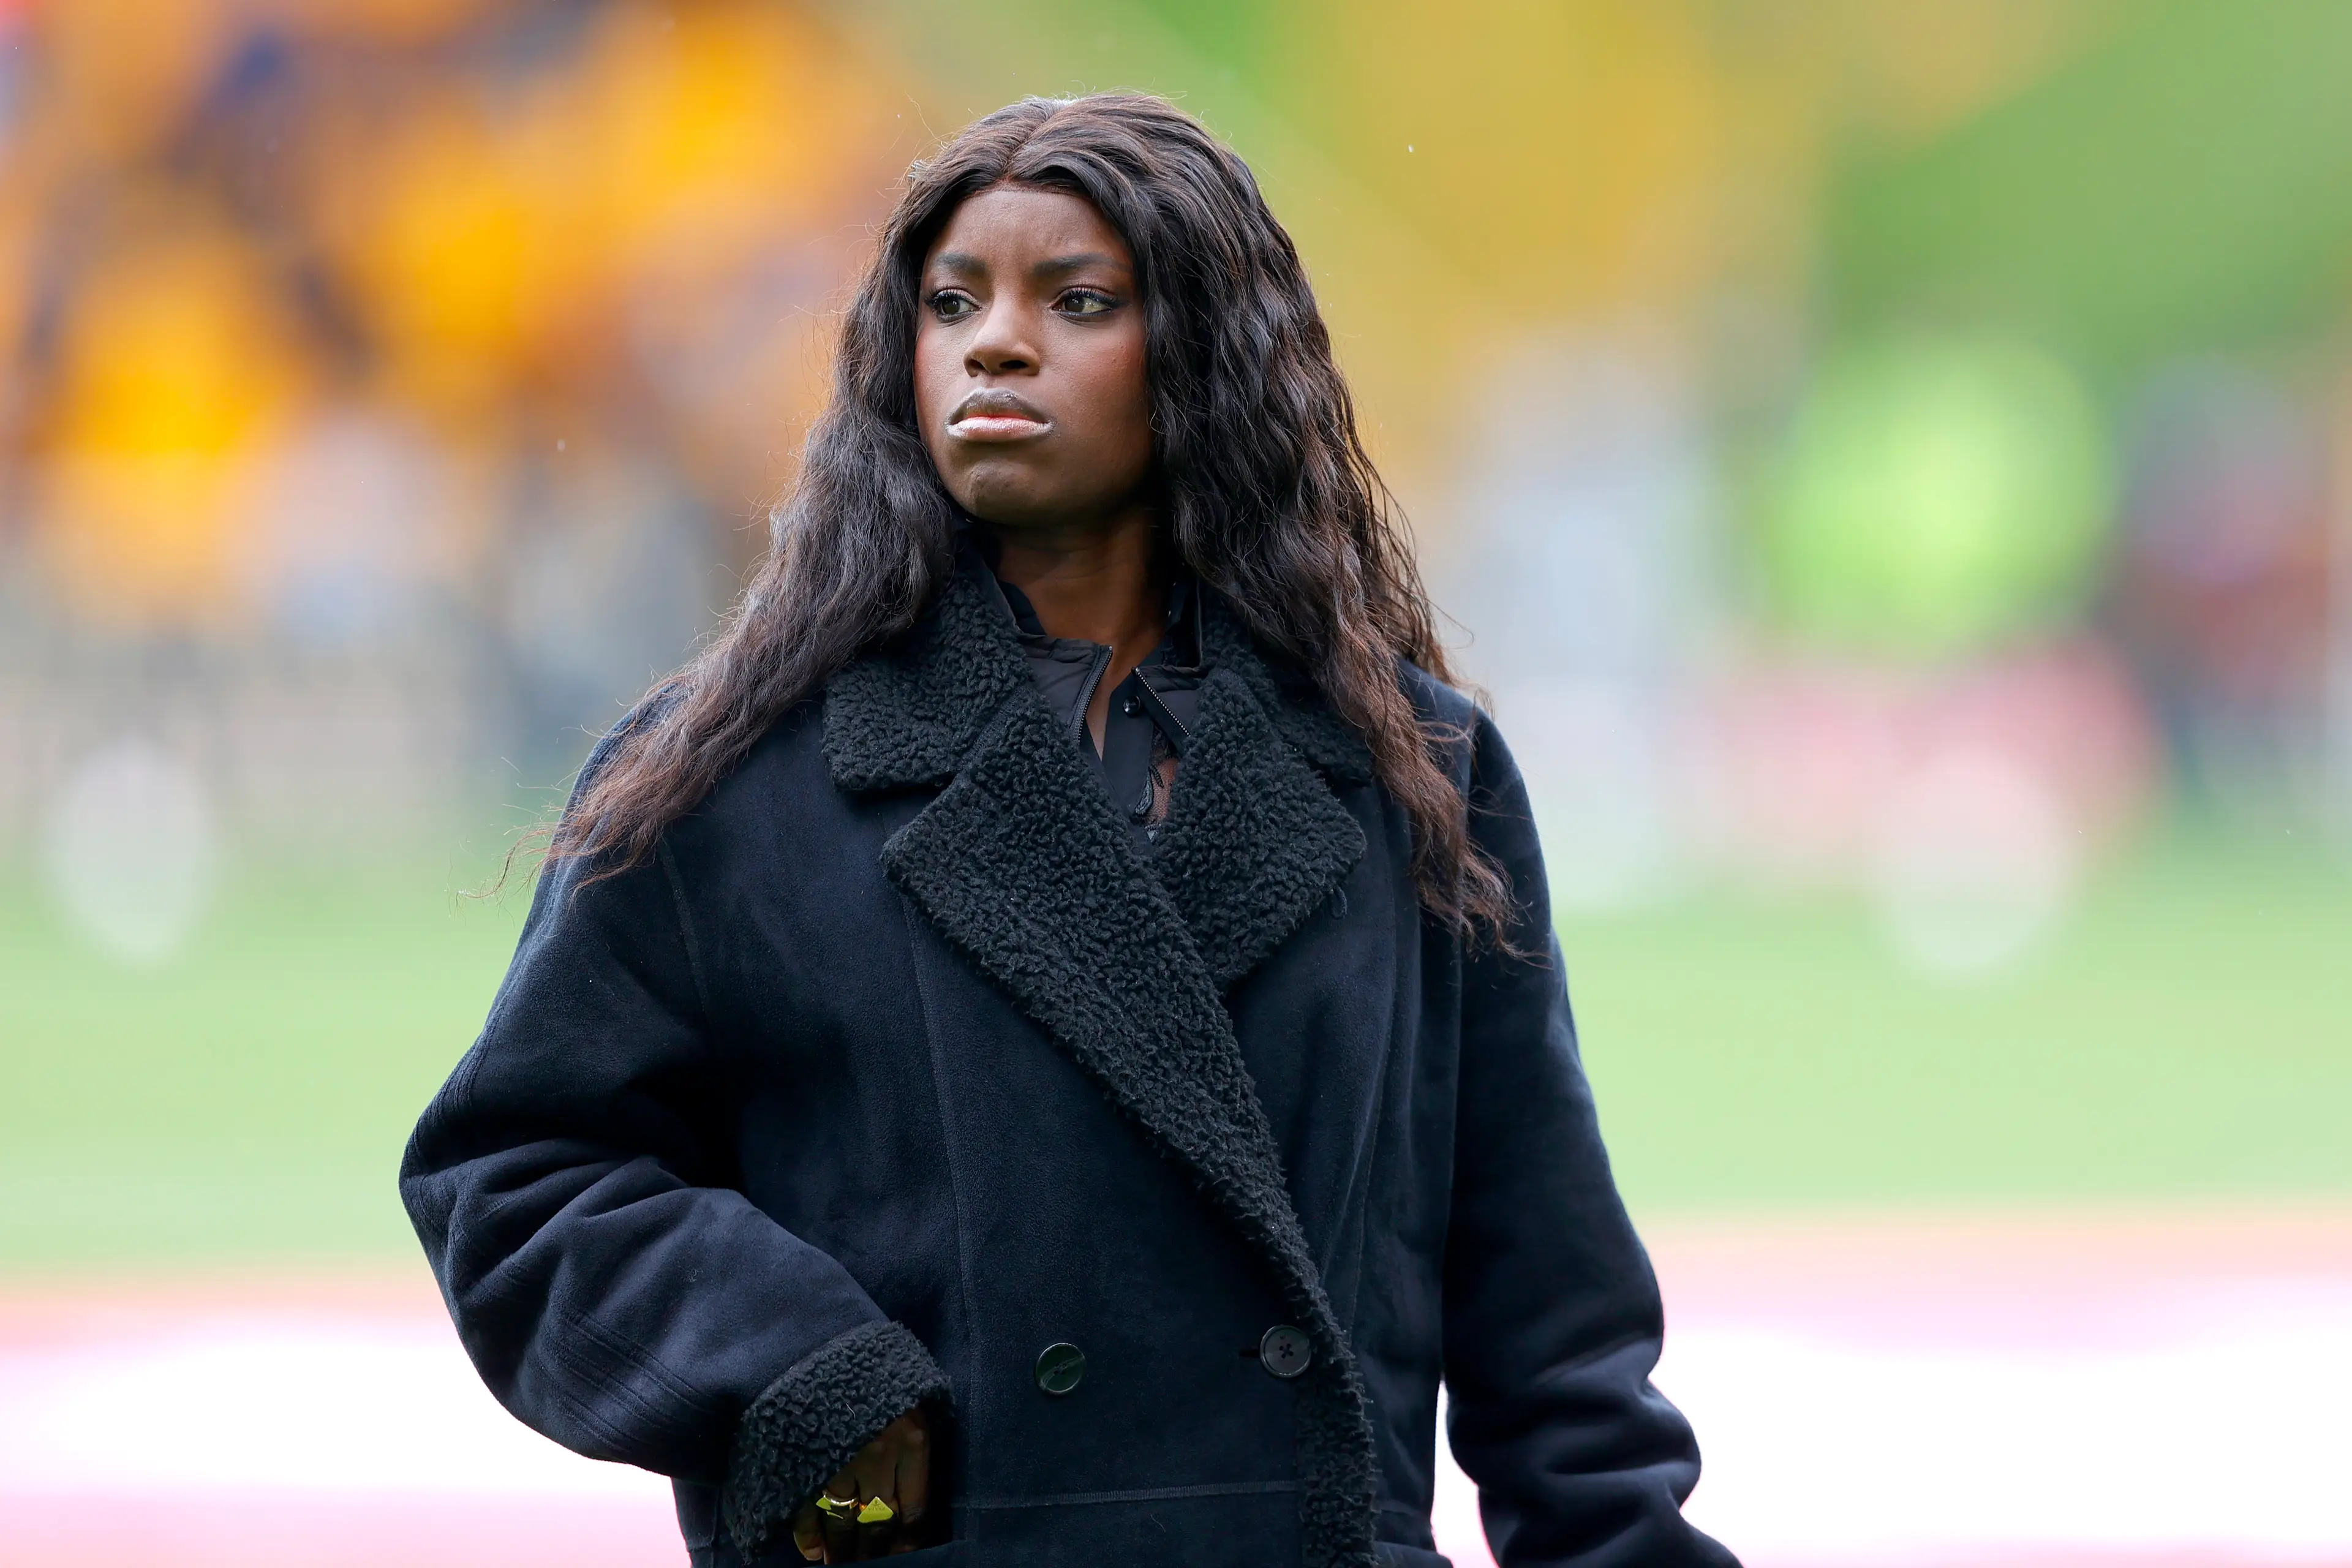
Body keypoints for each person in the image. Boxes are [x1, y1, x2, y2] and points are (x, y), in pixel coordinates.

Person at [401, 93, 1736, 1568]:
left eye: (1077, 301)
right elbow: (516, 1174)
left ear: (1210, 359)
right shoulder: (730, 775)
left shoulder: (1411, 769)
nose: (995, 342)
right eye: (953, 302)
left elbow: (1547, 1303)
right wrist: (816, 1386)